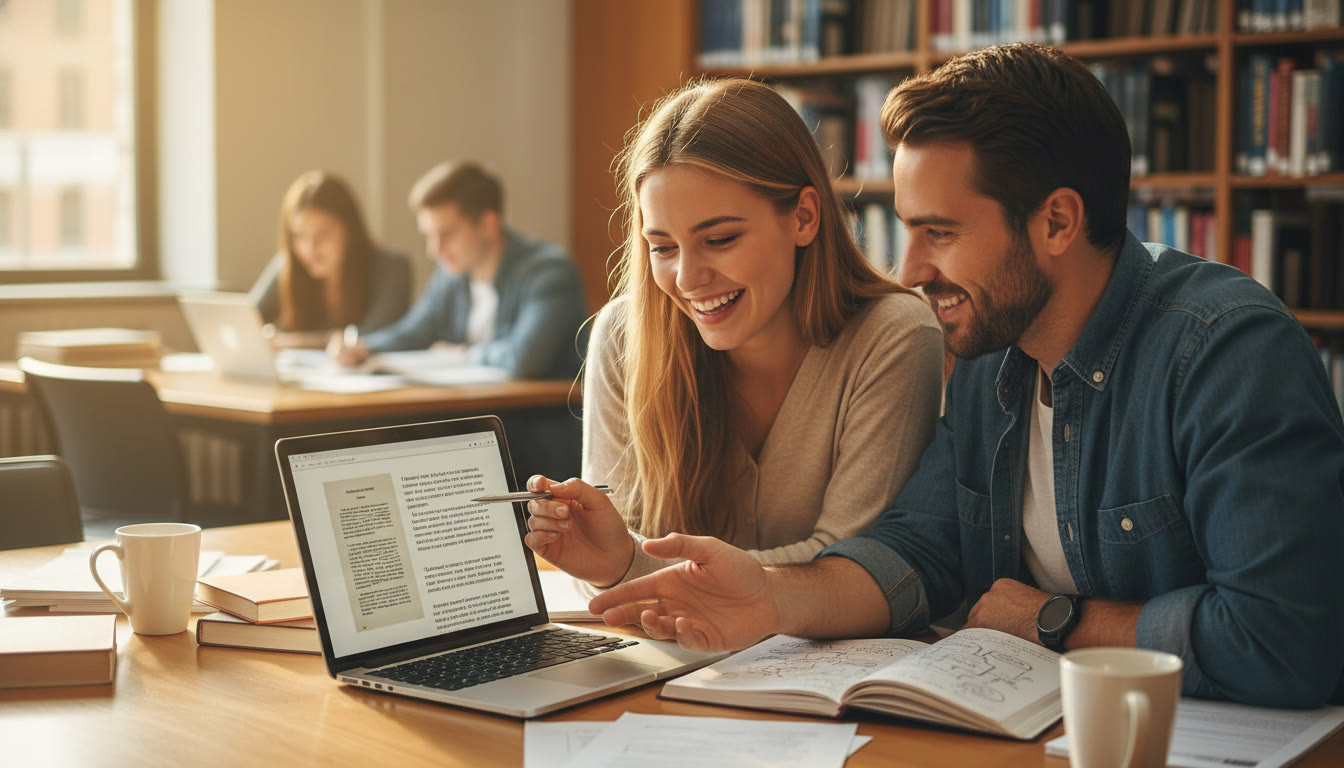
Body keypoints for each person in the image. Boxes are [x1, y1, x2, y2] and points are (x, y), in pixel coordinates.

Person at [583, 43, 1344, 708]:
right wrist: (771, 596)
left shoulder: (1225, 353)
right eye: (908, 230)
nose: (910, 271)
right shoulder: (992, 363)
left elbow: (1287, 641)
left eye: (939, 233)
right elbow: (919, 549)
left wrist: (1057, 622)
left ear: (1056, 222)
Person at [521, 78, 944, 591]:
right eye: (663, 247)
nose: (687, 279)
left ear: (804, 218)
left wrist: (627, 566)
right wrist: (604, 558)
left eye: (720, 239)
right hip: (673, 656)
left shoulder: (894, 337)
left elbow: (853, 567)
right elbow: (603, 559)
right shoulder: (622, 336)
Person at [328, 160, 586, 380]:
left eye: (447, 235)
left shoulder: (550, 273)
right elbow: (415, 331)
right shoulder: (452, 272)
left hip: (542, 424)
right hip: (476, 416)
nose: (434, 251)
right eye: (429, 236)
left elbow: (525, 358)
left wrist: (466, 354)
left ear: (487, 224)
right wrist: (363, 347)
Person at [250, 171, 410, 348]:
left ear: (350, 230)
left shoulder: (391, 268)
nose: (310, 249)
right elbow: (247, 320)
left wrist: (288, 342)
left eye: (322, 234)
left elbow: (373, 336)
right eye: (299, 236)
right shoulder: (287, 266)